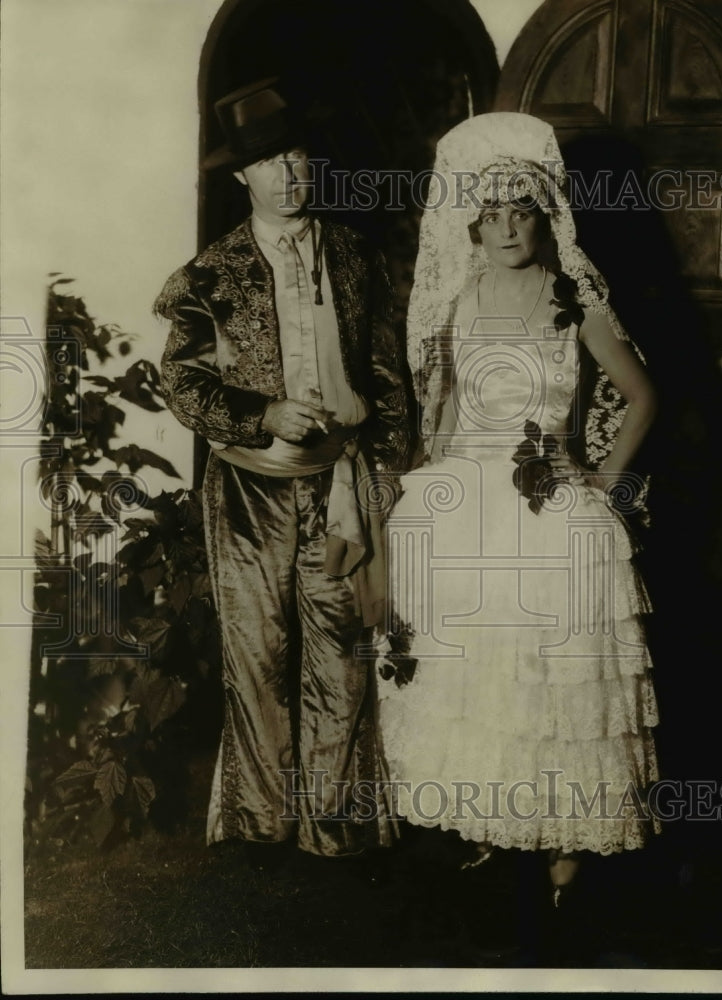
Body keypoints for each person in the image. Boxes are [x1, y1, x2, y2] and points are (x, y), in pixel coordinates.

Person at [377, 112, 660, 903]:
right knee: (480, 674)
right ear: (472, 219)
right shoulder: (458, 301)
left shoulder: (576, 301)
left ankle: (564, 847)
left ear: (544, 215)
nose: (505, 227)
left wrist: (600, 482)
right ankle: (489, 823)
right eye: (491, 213)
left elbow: (641, 397)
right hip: (467, 495)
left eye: (521, 211)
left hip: (549, 500)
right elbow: (445, 410)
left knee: (555, 683)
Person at [154, 79, 410, 860]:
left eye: (297, 153)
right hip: (248, 486)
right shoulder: (209, 274)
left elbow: (387, 374)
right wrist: (262, 413)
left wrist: (389, 472)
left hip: (341, 483)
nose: (289, 171)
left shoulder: (357, 255)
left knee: (340, 649)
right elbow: (183, 382)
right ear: (243, 177)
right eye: (269, 160)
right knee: (258, 653)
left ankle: (333, 823)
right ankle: (262, 822)